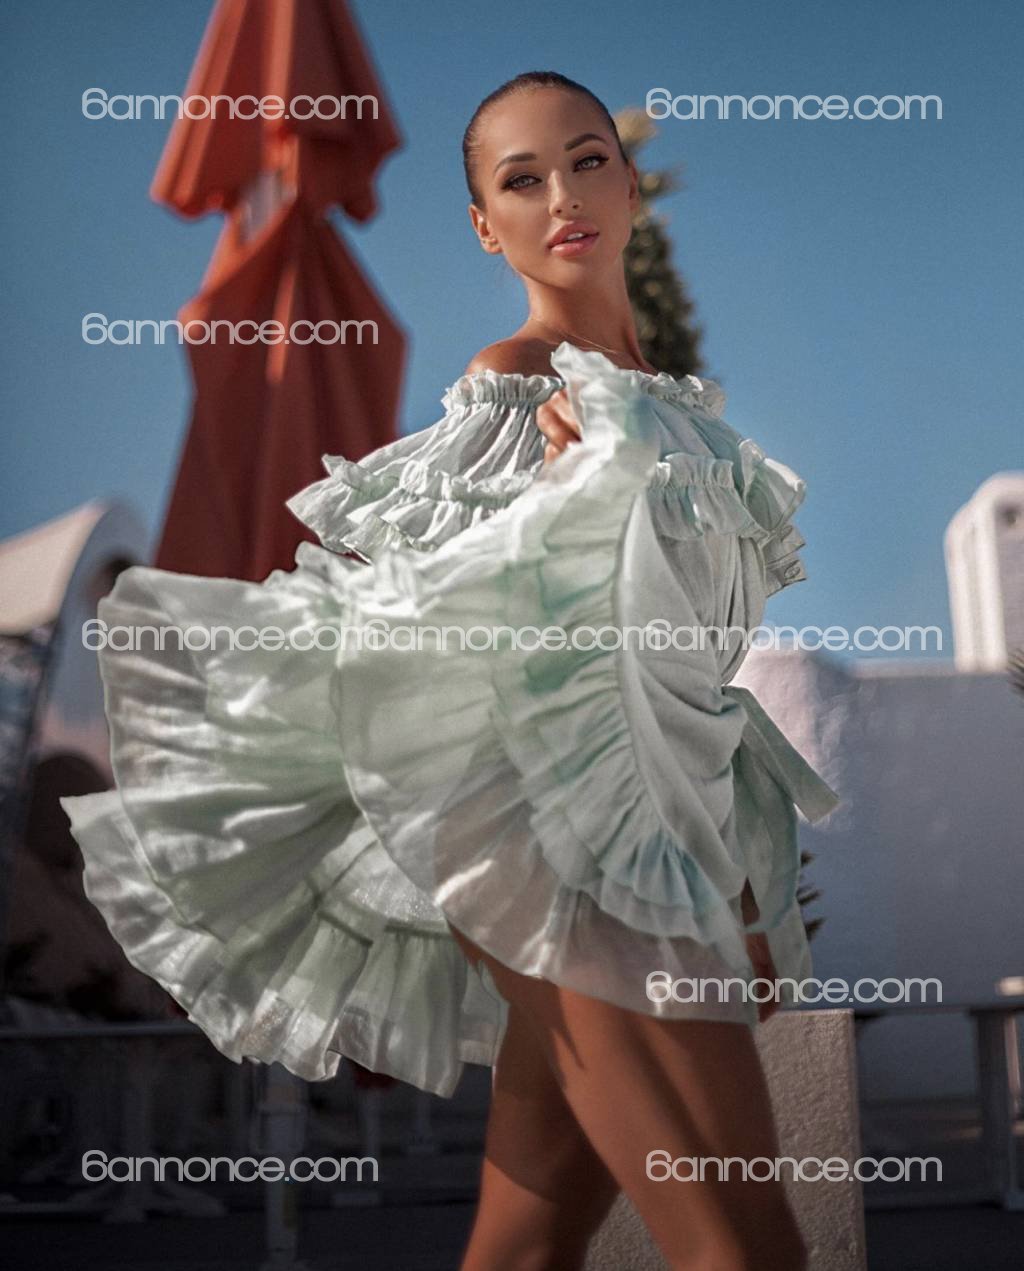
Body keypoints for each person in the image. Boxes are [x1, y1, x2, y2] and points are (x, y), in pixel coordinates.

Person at [61, 70, 839, 1271]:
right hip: (560, 851)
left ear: (628, 186)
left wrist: (735, 880)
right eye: (521, 180)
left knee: (525, 1243)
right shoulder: (516, 388)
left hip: (660, 839)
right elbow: (443, 642)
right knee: (741, 1245)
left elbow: (681, 679)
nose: (562, 195)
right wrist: (567, 502)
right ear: (486, 226)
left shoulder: (679, 418)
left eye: (586, 161)